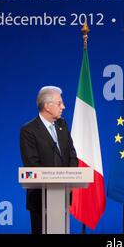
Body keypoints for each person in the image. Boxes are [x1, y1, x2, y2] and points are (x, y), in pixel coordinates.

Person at [20, 86, 78, 234]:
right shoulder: (29, 130)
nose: (63, 107)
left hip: (62, 195)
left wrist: (70, 179)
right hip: (40, 198)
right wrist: (54, 179)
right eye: (59, 103)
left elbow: (71, 154)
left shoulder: (62, 125)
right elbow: (31, 163)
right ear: (47, 106)